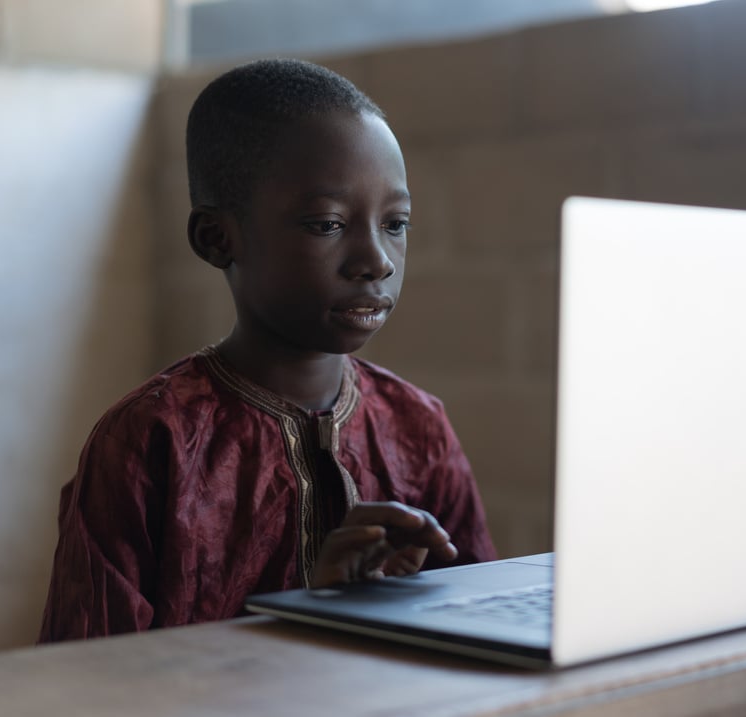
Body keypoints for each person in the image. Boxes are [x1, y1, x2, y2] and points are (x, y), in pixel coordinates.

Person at [38, 58, 496, 642]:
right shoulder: (152, 442)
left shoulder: (417, 429)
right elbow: (84, 685)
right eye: (327, 225)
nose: (376, 260)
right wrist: (309, 615)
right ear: (217, 238)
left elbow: (483, 638)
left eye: (396, 222)